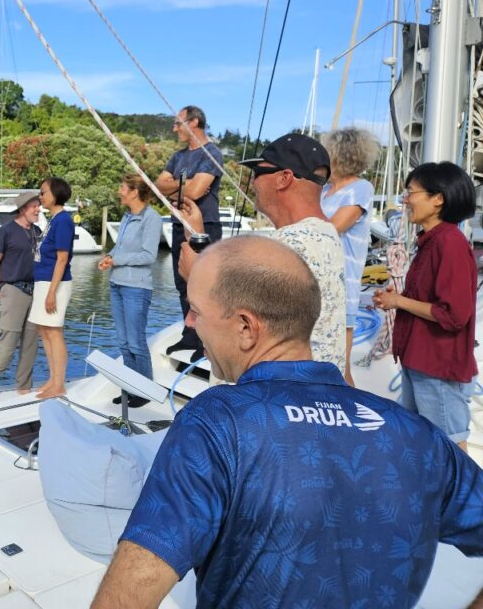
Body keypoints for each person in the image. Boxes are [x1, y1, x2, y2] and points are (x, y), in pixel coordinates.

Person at [92, 237, 483, 609]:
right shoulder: (415, 435)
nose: (189, 322)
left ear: (246, 327)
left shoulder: (218, 423)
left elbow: (133, 589)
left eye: (195, 309)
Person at [179, 132, 347, 373]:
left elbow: (229, 312)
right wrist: (199, 236)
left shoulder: (285, 248)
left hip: (274, 398)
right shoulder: (327, 236)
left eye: (258, 173)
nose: (253, 182)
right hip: (311, 391)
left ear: (283, 178)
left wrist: (193, 271)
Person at [372, 161, 478, 450]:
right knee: (419, 438)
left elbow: (454, 314)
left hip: (437, 365)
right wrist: (397, 299)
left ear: (438, 199)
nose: (405, 199)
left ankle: (461, 496)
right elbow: (429, 299)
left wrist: (399, 301)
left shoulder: (449, 243)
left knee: (449, 445)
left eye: (411, 192)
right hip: (418, 360)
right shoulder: (431, 242)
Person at [155, 106, 223, 359]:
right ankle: (190, 335)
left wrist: (177, 188)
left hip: (205, 227)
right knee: (181, 283)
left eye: (177, 123)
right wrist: (184, 186)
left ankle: (206, 341)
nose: (174, 129)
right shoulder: (177, 157)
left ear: (193, 122)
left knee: (203, 284)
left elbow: (195, 193)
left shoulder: (212, 153)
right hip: (178, 225)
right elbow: (159, 185)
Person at [320, 127, 380, 384]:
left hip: (341, 282)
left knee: (339, 367)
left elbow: (334, 227)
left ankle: (351, 417)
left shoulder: (361, 188)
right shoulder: (323, 190)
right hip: (317, 279)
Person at [98, 174, 162, 406]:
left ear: (134, 192)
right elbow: (120, 247)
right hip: (117, 284)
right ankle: (130, 388)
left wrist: (118, 260)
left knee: (136, 343)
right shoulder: (126, 217)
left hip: (137, 287)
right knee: (124, 343)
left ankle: (144, 392)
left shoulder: (151, 218)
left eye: (123, 186)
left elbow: (149, 255)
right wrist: (109, 257)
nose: (119, 190)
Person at [0, 191, 42, 403]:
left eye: (39, 206)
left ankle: (24, 386)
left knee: (31, 340)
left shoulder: (37, 231)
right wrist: (2, 287)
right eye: (34, 206)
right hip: (13, 288)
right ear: (23, 208)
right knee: (9, 336)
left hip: (35, 291)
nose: (38, 210)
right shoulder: (6, 231)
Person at [30, 177, 74, 399]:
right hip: (43, 281)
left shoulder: (64, 221)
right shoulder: (53, 220)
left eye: (43, 192)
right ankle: (52, 378)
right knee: (43, 329)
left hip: (54, 283)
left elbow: (62, 259)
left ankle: (59, 384)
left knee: (54, 331)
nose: (40, 196)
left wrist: (51, 293)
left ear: (55, 194)